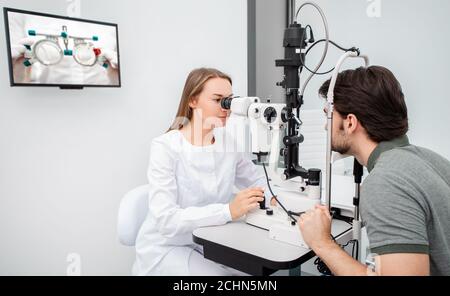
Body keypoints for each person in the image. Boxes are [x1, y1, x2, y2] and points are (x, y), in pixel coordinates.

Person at [298, 66, 450, 276]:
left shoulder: (385, 183)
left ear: (350, 122)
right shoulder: (431, 159)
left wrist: (322, 243)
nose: (326, 127)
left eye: (329, 117)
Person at [133, 68, 269, 276]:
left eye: (229, 101)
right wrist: (228, 211)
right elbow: (166, 221)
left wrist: (272, 196)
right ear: (193, 101)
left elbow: (256, 179)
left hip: (211, 239)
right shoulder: (166, 146)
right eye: (218, 100)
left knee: (255, 272)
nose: (227, 108)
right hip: (168, 246)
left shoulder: (227, 142)